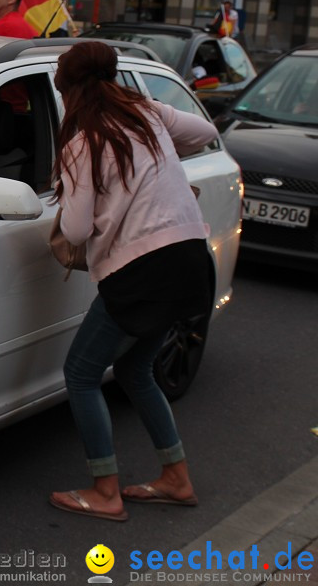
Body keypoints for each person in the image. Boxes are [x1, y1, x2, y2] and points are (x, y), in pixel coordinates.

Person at [47, 41, 219, 522]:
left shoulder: (84, 143)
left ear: (68, 90)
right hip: (188, 259)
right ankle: (176, 478)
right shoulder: (146, 112)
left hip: (141, 272)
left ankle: (105, 490)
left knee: (81, 374)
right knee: (135, 370)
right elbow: (205, 131)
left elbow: (77, 231)